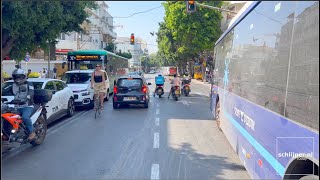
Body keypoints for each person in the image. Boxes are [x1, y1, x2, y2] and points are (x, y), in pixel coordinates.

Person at [11, 68, 36, 140]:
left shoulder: (29, 84)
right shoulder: (13, 85)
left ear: (24, 76)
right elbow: (6, 91)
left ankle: (32, 132)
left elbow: (31, 92)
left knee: (25, 117)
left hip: (27, 106)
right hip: (17, 106)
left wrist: (28, 97)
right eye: (16, 77)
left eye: (20, 76)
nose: (18, 78)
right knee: (10, 118)